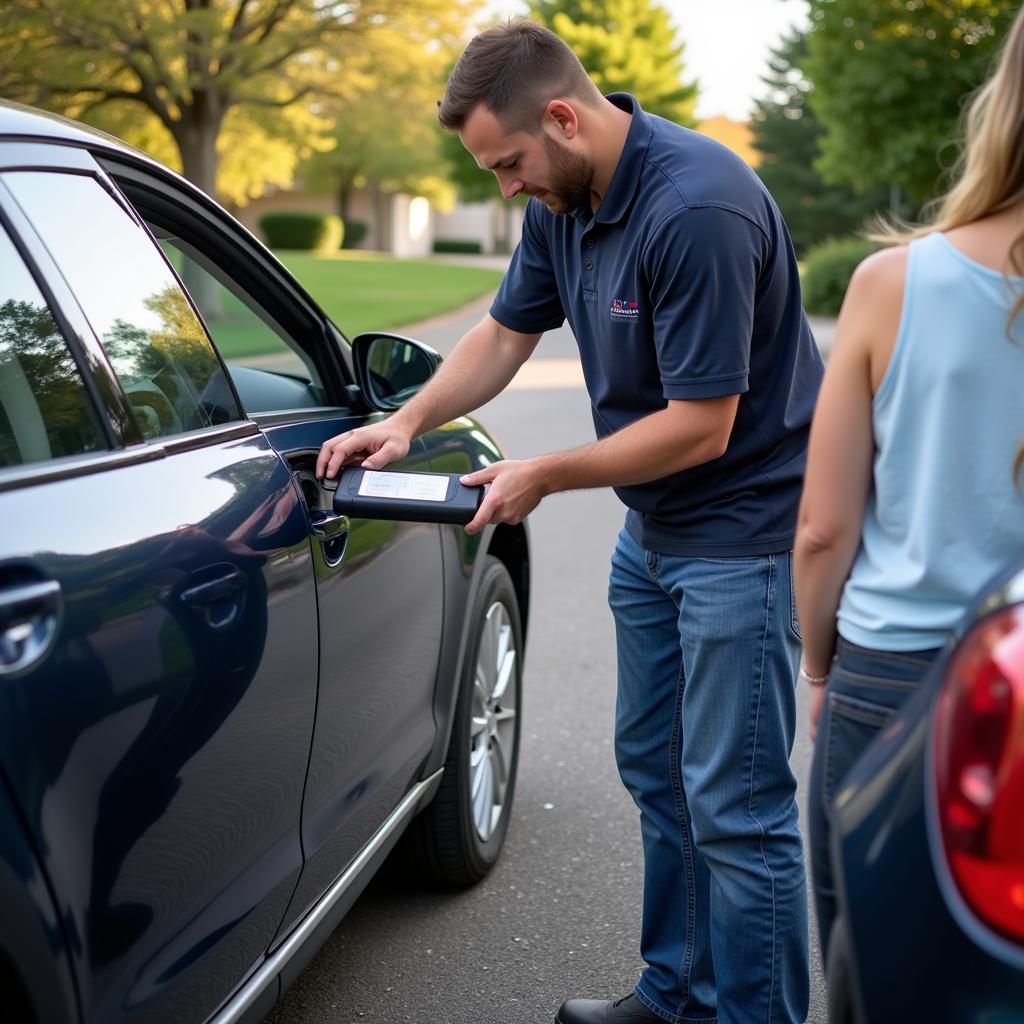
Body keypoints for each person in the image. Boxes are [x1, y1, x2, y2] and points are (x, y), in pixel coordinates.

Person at [317, 21, 823, 1024]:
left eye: (507, 164)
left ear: (562, 116)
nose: (504, 186)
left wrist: (543, 471)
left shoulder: (697, 208)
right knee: (656, 773)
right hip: (655, 537)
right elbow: (505, 334)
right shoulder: (566, 194)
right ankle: (676, 995)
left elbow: (701, 427)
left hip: (741, 537)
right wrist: (406, 421)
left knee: (737, 805)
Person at [794, 4, 1024, 970]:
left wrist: (816, 666)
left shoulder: (894, 285)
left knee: (883, 964)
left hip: (897, 678)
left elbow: (822, 529)